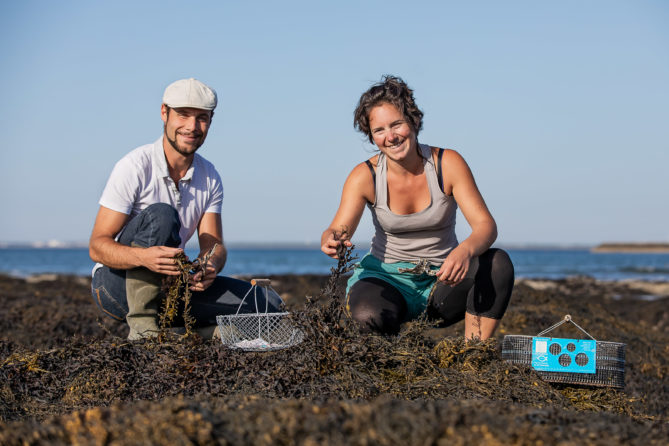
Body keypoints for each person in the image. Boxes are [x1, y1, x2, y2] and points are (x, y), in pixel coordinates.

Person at [321, 75, 514, 340]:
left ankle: (473, 357)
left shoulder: (448, 164)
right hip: (385, 281)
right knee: (368, 315)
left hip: (443, 283)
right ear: (371, 136)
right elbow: (338, 229)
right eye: (379, 130)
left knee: (497, 263)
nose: (390, 137)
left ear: (413, 121)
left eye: (396, 124)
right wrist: (331, 239)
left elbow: (485, 226)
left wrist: (465, 251)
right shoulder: (364, 176)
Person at [89, 78, 280, 340]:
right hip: (115, 289)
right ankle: (144, 333)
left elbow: (214, 245)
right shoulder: (134, 166)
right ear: (164, 113)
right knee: (162, 215)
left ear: (211, 121)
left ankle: (195, 336)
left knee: (266, 304)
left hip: (170, 290)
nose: (192, 126)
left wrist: (208, 265)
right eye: (183, 115)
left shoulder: (209, 176)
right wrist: (143, 258)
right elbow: (97, 246)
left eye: (201, 118)